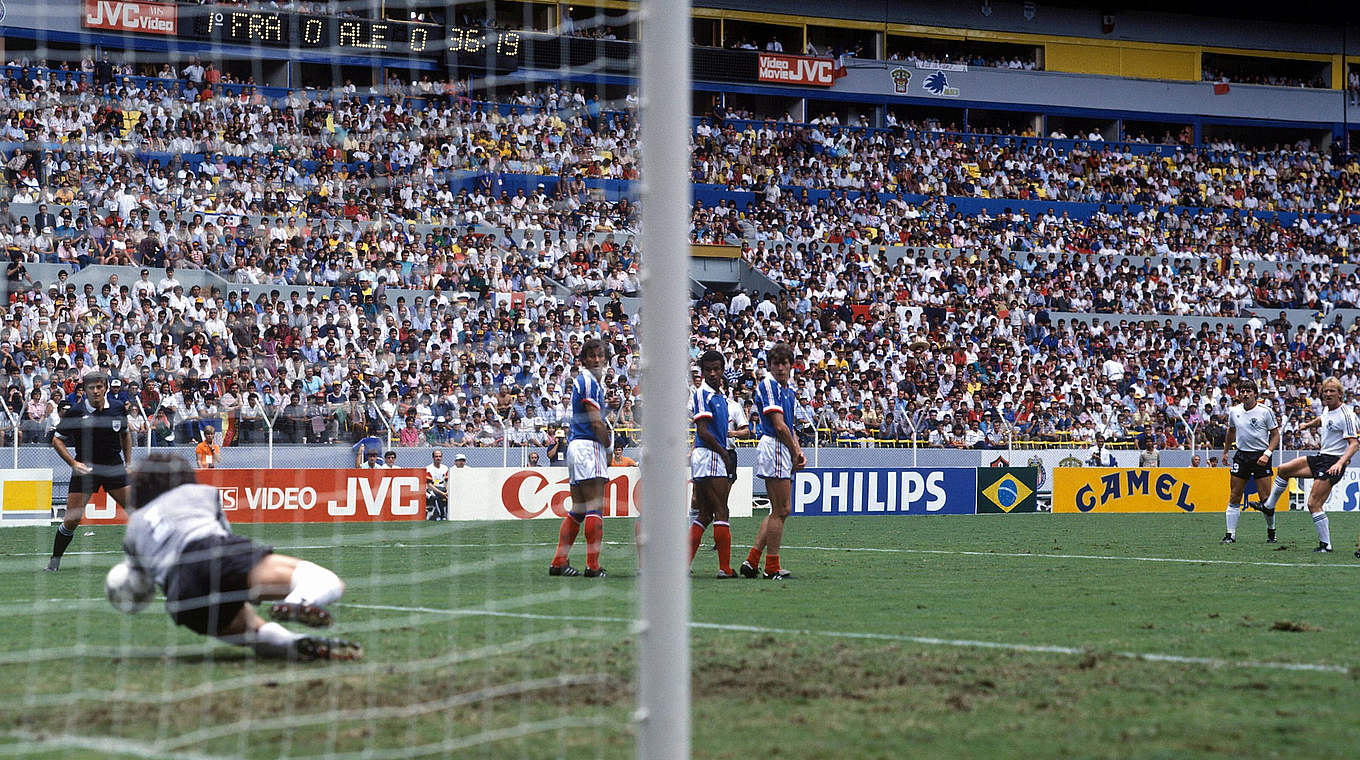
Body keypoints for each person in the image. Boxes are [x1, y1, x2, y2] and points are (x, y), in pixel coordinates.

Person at [118, 452, 360, 660]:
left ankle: (292, 642)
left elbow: (140, 584)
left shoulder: (134, 526)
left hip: (182, 598)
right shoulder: (197, 492)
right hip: (210, 553)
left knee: (253, 631)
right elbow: (224, 536)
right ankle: (298, 603)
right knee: (325, 581)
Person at [46, 372, 133, 572]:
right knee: (72, 519)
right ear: (85, 390)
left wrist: (128, 462)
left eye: (99, 387)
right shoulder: (76, 412)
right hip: (85, 468)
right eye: (91, 388)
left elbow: (126, 435)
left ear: (106, 388)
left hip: (113, 466)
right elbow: (57, 440)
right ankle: (54, 563)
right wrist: (73, 463)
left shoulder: (118, 408)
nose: (95, 391)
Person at [1261, 377, 1359, 553]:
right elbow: (1324, 419)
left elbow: (1354, 444)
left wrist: (1340, 463)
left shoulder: (1347, 415)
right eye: (1325, 391)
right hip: (1321, 458)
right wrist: (1308, 424)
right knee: (1284, 469)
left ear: (1340, 394)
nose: (1328, 394)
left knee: (1313, 503)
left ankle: (1326, 545)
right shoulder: (1328, 409)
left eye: (1332, 391)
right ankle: (1269, 506)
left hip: (1333, 463)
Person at [548, 338, 611, 578]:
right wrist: (607, 445)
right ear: (583, 359)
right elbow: (595, 422)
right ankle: (593, 567)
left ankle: (559, 562)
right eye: (592, 356)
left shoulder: (584, 381)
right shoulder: (589, 382)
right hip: (588, 446)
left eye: (600, 355)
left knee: (579, 509)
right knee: (595, 508)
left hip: (576, 446)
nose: (596, 359)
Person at [741, 343, 805, 580]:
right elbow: (779, 426)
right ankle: (771, 567)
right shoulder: (769, 385)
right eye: (775, 363)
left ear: (791, 365)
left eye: (784, 363)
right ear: (769, 365)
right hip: (775, 446)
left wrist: (797, 450)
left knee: (777, 510)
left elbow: (789, 425)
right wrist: (793, 450)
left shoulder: (788, 390)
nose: (780, 368)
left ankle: (752, 560)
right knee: (782, 509)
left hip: (782, 447)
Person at [688, 351, 739, 578]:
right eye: (707, 369)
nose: (712, 373)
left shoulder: (719, 396)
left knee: (705, 514)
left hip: (710, 455)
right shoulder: (703, 395)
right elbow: (703, 431)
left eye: (716, 369)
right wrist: (724, 453)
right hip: (709, 455)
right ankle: (725, 569)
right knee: (721, 510)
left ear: (722, 369)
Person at [1220, 379, 1281, 544]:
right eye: (1242, 391)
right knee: (1234, 495)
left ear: (1255, 393)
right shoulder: (1234, 411)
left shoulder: (1265, 411)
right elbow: (1231, 431)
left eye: (1248, 391)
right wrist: (1226, 452)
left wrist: (1267, 454)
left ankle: (1271, 532)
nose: (1245, 394)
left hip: (1261, 456)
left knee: (1265, 498)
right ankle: (1230, 534)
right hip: (1242, 456)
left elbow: (1275, 436)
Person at [425, 449, 449, 521]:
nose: (438, 458)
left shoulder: (445, 468)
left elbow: (446, 481)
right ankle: (442, 515)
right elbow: (429, 484)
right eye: (436, 456)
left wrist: (447, 491)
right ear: (433, 457)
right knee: (436, 496)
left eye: (440, 456)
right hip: (431, 489)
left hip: (442, 488)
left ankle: (448, 514)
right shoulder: (428, 468)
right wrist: (442, 493)